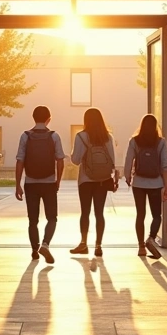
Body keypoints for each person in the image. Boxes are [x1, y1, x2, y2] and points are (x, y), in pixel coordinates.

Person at [15, 105, 66, 264]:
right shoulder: (54, 136)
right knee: (52, 218)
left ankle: (34, 251)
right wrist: (58, 181)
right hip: (49, 182)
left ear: (33, 118)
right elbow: (60, 161)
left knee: (33, 220)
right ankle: (45, 244)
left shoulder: (25, 136)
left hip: (30, 183)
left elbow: (20, 161)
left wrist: (18, 184)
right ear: (49, 119)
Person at [69, 108, 120, 257]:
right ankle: (98, 245)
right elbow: (112, 160)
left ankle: (83, 243)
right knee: (99, 213)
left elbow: (75, 160)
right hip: (102, 180)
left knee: (85, 212)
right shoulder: (108, 137)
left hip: (85, 180)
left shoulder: (81, 136)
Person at [124, 114, 167, 259]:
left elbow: (128, 161)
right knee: (157, 215)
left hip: (138, 183)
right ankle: (151, 238)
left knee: (140, 214)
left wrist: (128, 177)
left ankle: (141, 247)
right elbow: (166, 165)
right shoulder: (161, 142)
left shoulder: (134, 141)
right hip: (156, 183)